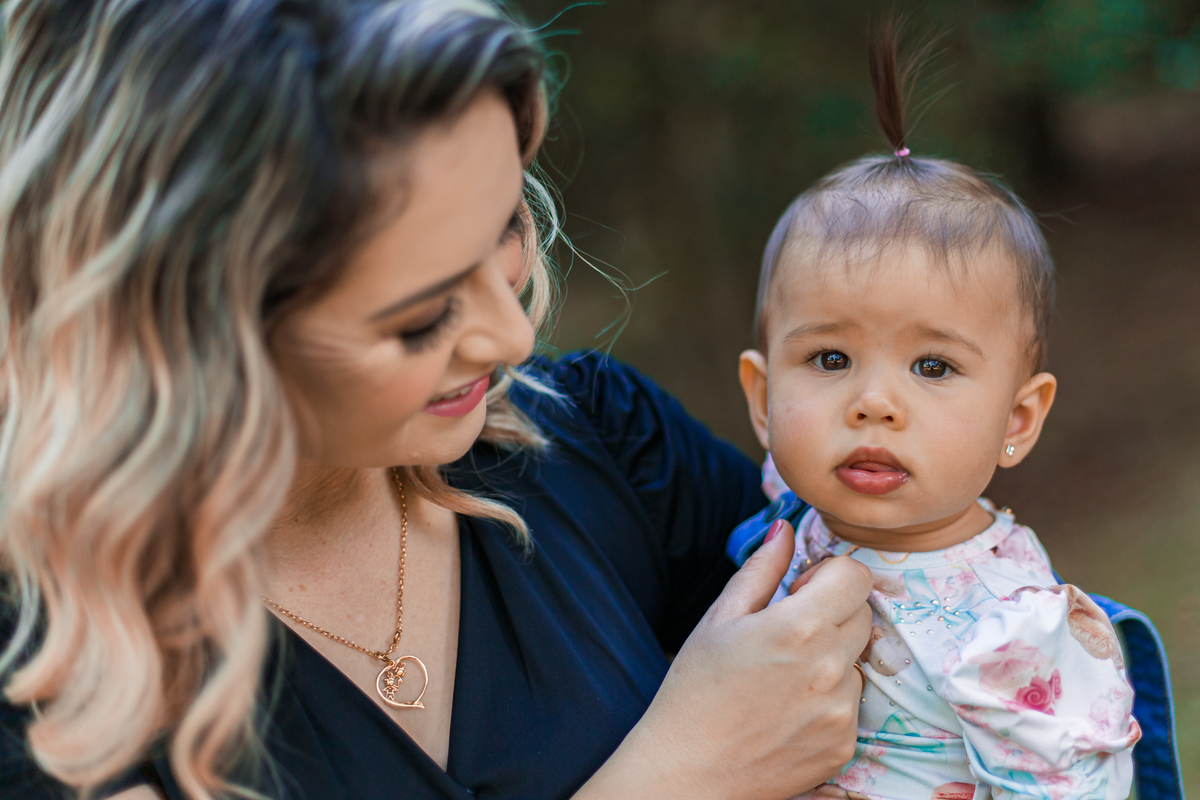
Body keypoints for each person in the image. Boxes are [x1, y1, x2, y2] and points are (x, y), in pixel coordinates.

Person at [0, 1, 875, 798]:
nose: (512, 340)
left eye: (505, 225)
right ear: (173, 323)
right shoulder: (40, 694)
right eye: (420, 315)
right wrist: (679, 777)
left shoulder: (599, 441)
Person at [731, 26, 1141, 800]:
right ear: (762, 399)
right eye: (829, 360)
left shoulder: (1013, 634)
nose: (874, 404)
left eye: (932, 367)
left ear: (1018, 421)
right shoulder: (793, 509)